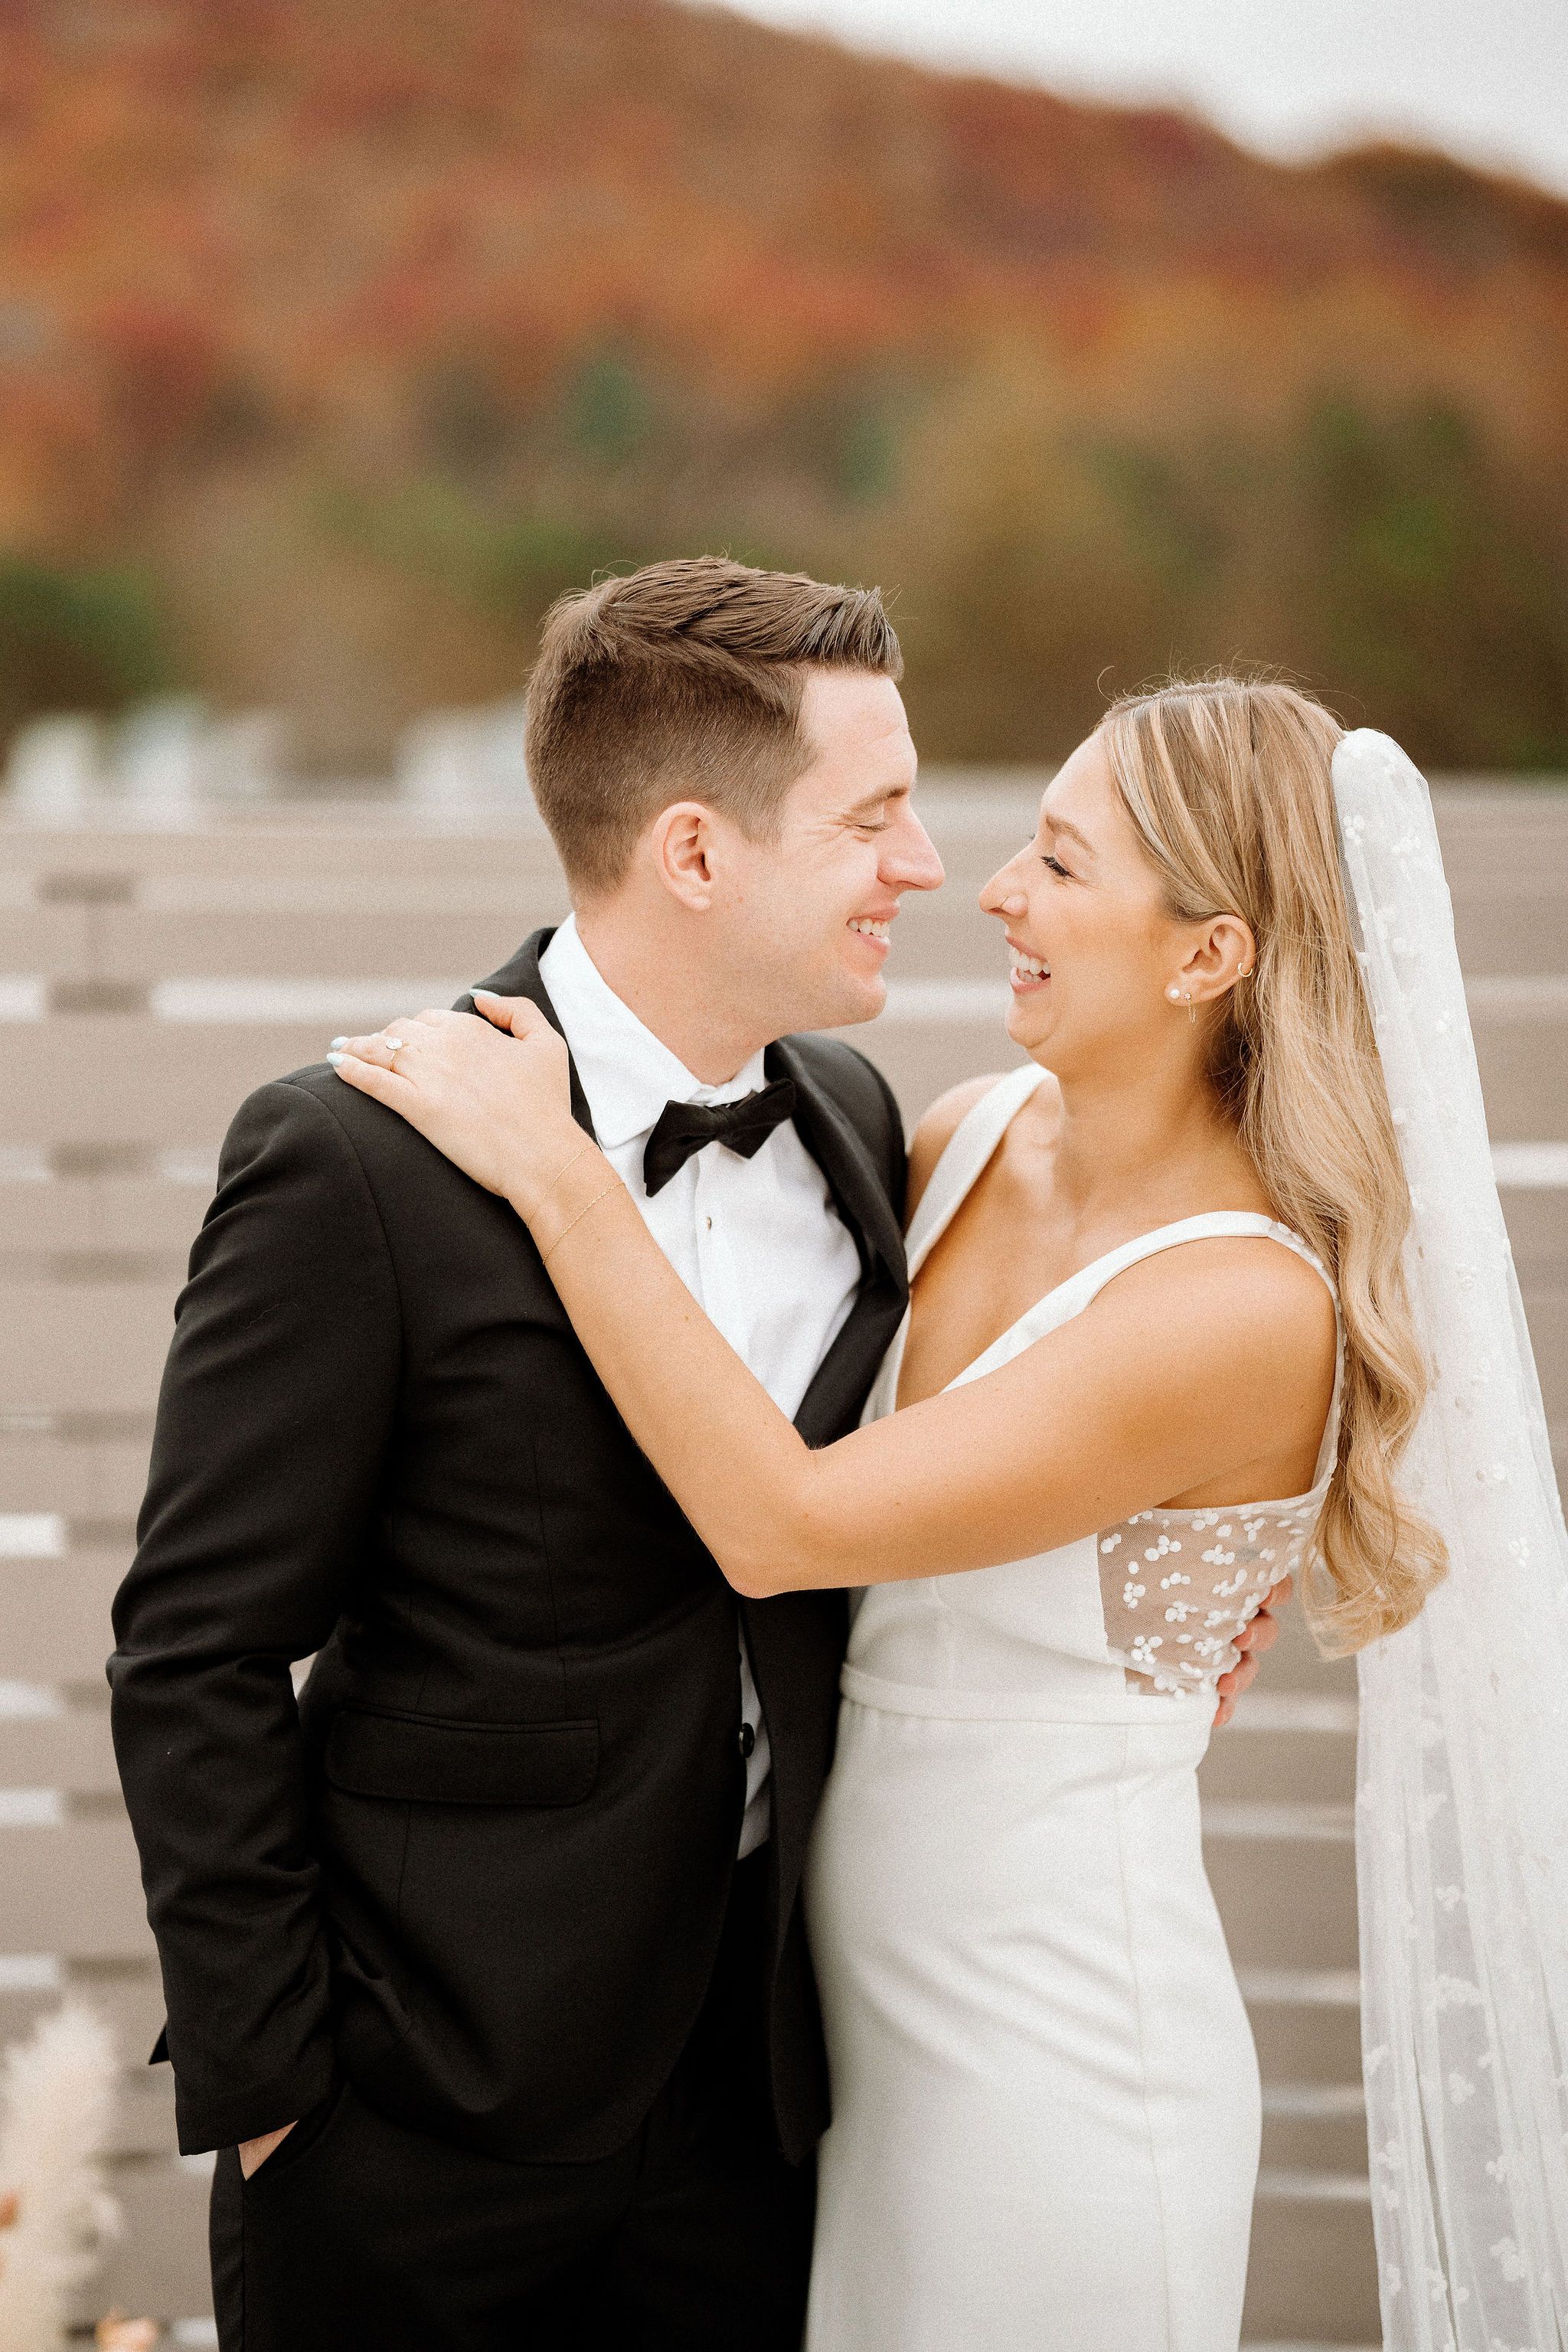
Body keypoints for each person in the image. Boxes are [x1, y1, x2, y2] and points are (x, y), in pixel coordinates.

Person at [106, 560, 1287, 2351]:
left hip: (771, 2112)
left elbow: (967, 1477)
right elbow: (190, 1649)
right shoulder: (356, 1160)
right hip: (416, 2121)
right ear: (694, 852)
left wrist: (1167, 1618)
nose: (924, 867)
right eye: (874, 815)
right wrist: (276, 2092)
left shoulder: (865, 1132)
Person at [328, 675, 1447, 2350]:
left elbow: (784, 1522)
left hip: (1057, 2044)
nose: (991, 889)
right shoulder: (957, 1135)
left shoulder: (1239, 1307)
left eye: (1060, 866)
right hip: (836, 2043)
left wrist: (553, 1167)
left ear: (1207, 954)